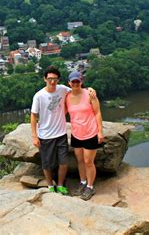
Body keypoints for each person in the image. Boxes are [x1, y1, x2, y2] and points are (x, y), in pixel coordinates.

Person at [31, 66, 70, 195]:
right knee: (47, 164)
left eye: (55, 79)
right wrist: (34, 136)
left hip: (61, 134)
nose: (52, 82)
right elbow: (33, 115)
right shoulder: (39, 96)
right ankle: (50, 185)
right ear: (45, 79)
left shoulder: (63, 89)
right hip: (46, 135)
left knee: (64, 163)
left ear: (58, 79)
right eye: (49, 79)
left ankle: (60, 185)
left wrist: (90, 90)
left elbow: (77, 91)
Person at [65, 70, 103, 200]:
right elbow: (61, 112)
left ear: (81, 82)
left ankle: (90, 187)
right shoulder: (67, 97)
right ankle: (83, 182)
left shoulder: (90, 95)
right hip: (76, 133)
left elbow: (97, 112)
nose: (75, 83)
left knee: (88, 161)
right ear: (69, 83)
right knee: (80, 160)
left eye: (78, 81)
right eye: (73, 81)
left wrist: (100, 132)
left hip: (90, 132)